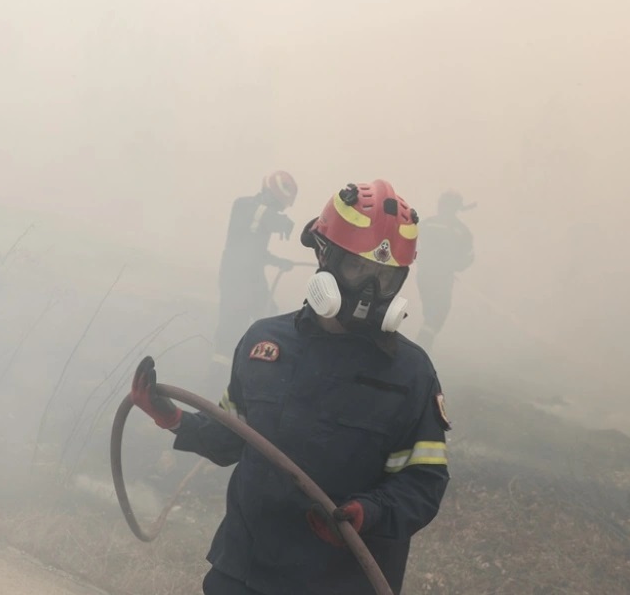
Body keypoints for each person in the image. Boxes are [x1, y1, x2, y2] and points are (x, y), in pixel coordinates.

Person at [131, 179, 452, 595]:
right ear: (325, 256)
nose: (371, 291)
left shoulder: (411, 374)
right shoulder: (264, 345)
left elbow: (423, 483)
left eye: (386, 279)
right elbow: (234, 438)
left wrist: (368, 514)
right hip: (244, 572)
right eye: (358, 269)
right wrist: (174, 420)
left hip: (342, 583)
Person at [209, 171, 299, 390]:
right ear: (268, 194)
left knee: (271, 321)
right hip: (235, 279)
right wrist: (278, 219)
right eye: (278, 205)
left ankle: (267, 373)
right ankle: (216, 381)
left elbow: (255, 250)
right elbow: (259, 214)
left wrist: (279, 261)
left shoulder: (260, 217)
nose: (279, 210)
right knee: (231, 327)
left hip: (253, 279)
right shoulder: (244, 206)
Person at [414, 189, 475, 353]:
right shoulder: (461, 230)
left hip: (423, 275)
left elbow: (412, 243)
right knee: (438, 313)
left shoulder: (426, 223)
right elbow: (468, 258)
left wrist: (421, 259)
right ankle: (421, 348)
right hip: (442, 279)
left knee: (430, 311)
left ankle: (421, 346)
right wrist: (453, 266)